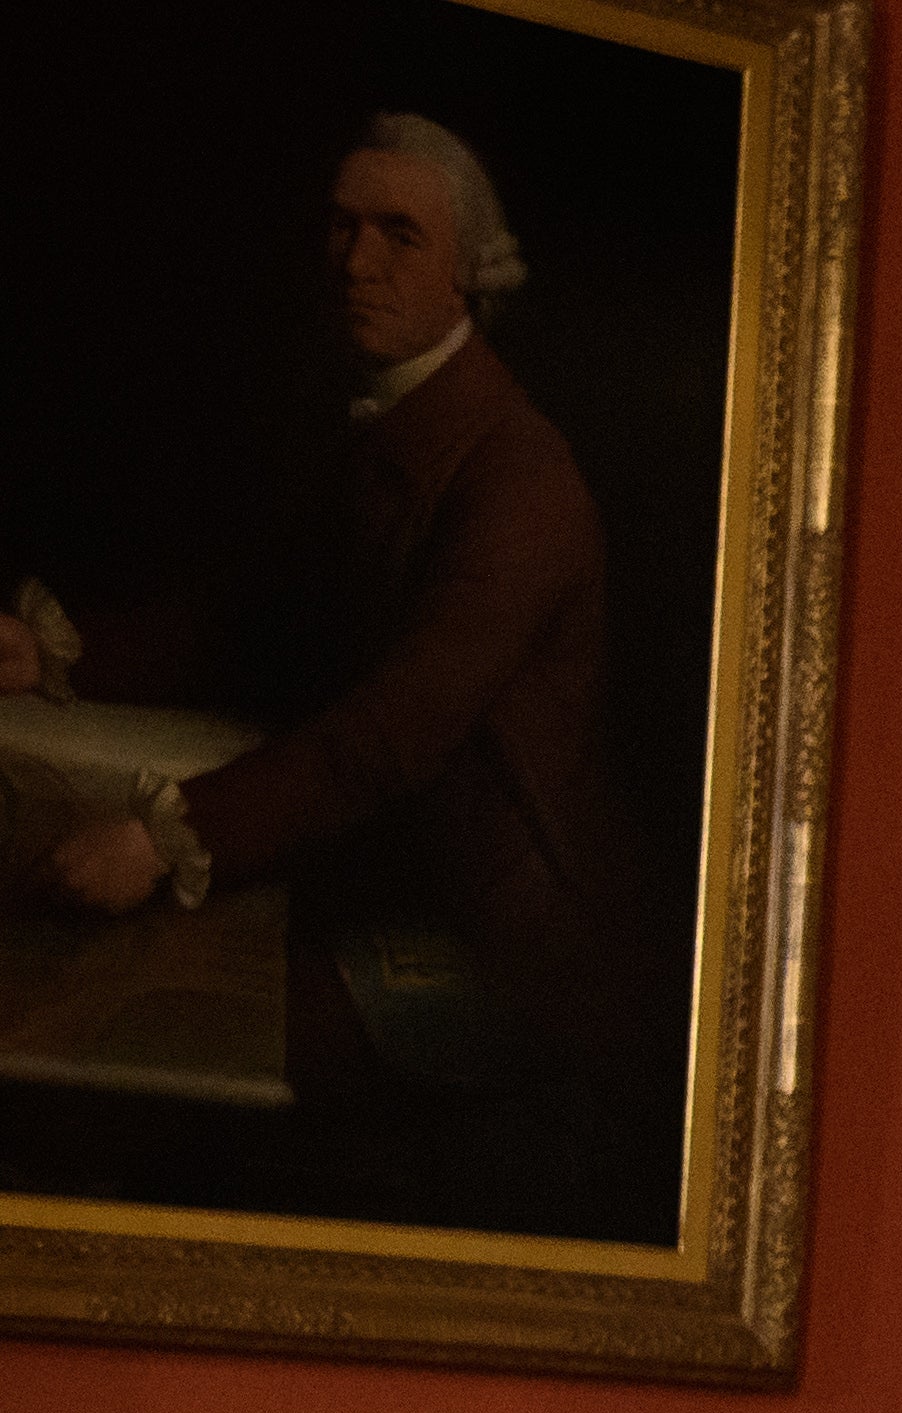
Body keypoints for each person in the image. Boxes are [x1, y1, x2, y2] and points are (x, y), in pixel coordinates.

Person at [2, 114, 662, 1241]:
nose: (357, 262)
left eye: (399, 234)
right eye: (344, 227)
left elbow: (393, 731)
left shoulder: (521, 480)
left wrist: (161, 836)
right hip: (368, 875)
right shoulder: (376, 420)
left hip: (495, 949)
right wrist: (53, 654)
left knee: (134, 1058)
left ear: (472, 267)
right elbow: (250, 627)